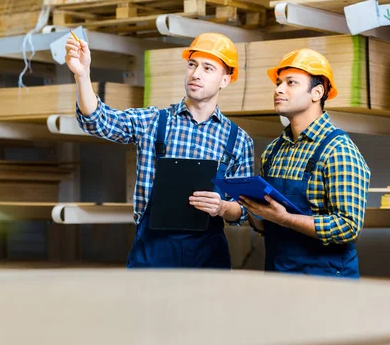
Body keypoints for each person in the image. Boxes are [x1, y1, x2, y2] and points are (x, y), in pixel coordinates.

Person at [65, 32, 254, 268]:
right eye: (192, 65)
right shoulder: (154, 121)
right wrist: (82, 75)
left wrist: (223, 207)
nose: (196, 74)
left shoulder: (238, 140)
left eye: (208, 68)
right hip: (153, 253)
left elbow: (245, 211)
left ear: (225, 79)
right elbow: (98, 120)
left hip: (207, 257)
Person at [239, 49, 370, 278]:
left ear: (317, 92)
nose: (278, 89)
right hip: (279, 277)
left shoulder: (338, 150)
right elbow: (266, 224)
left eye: (291, 83)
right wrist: (245, 207)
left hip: (326, 284)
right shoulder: (272, 151)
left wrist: (285, 218)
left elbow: (348, 228)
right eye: (279, 83)